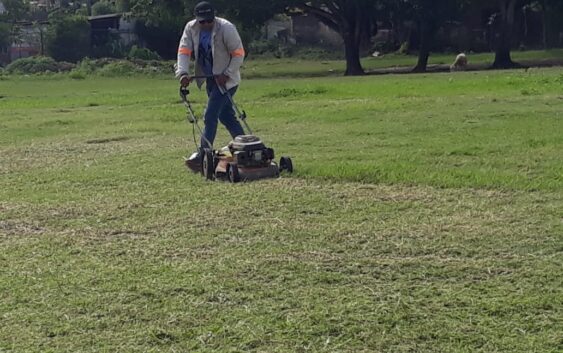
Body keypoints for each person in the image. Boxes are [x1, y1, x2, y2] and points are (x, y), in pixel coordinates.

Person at [176, 1, 246, 170]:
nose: (206, 24)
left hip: (226, 81)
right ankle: (244, 148)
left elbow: (238, 53)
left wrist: (227, 74)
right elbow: (184, 51)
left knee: (210, 114)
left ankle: (203, 154)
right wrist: (183, 73)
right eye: (202, 21)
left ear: (213, 17)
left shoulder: (226, 28)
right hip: (209, 78)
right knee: (226, 117)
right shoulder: (190, 28)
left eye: (209, 20)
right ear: (197, 20)